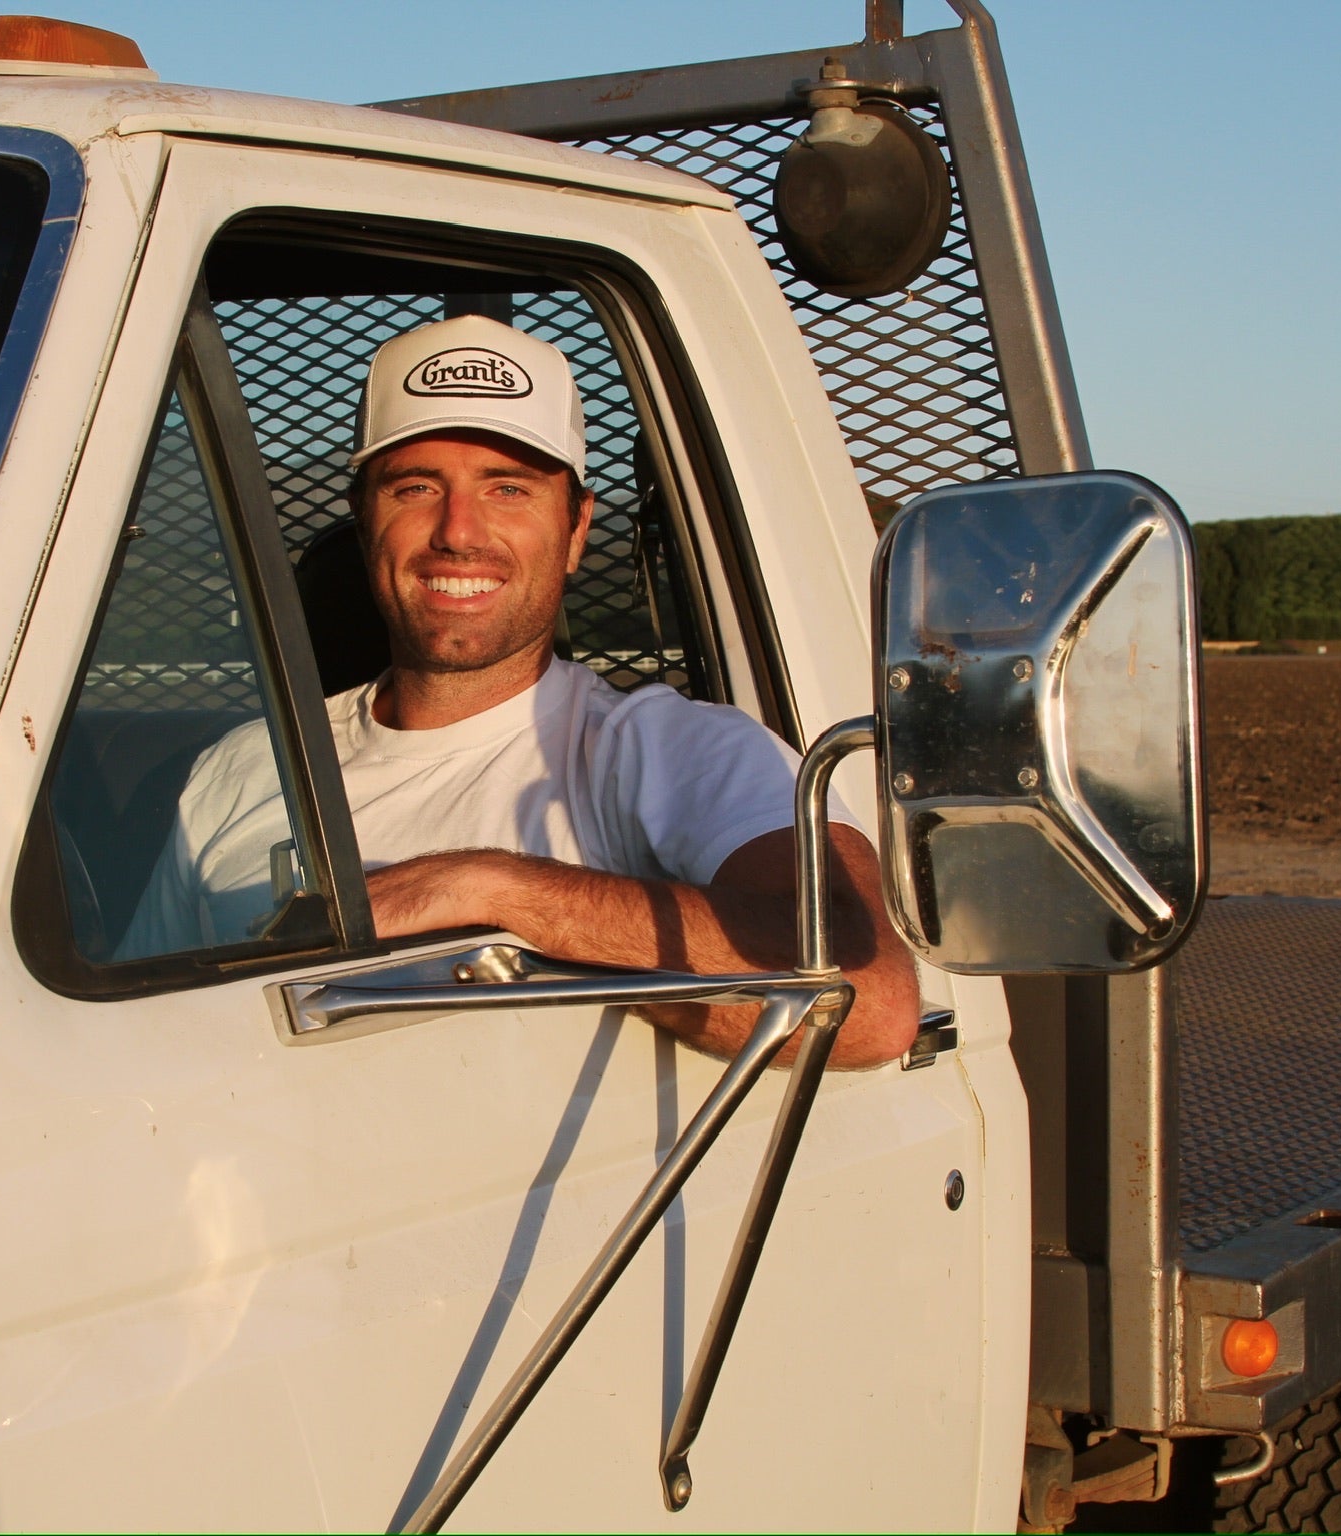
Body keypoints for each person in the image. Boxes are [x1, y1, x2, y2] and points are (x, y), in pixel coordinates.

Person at [126, 315, 917, 1068]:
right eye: (414, 488)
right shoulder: (242, 770)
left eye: (508, 489)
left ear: (576, 531)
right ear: (364, 523)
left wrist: (493, 894)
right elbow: (134, 1043)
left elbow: (872, 1000)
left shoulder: (669, 751)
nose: (459, 530)